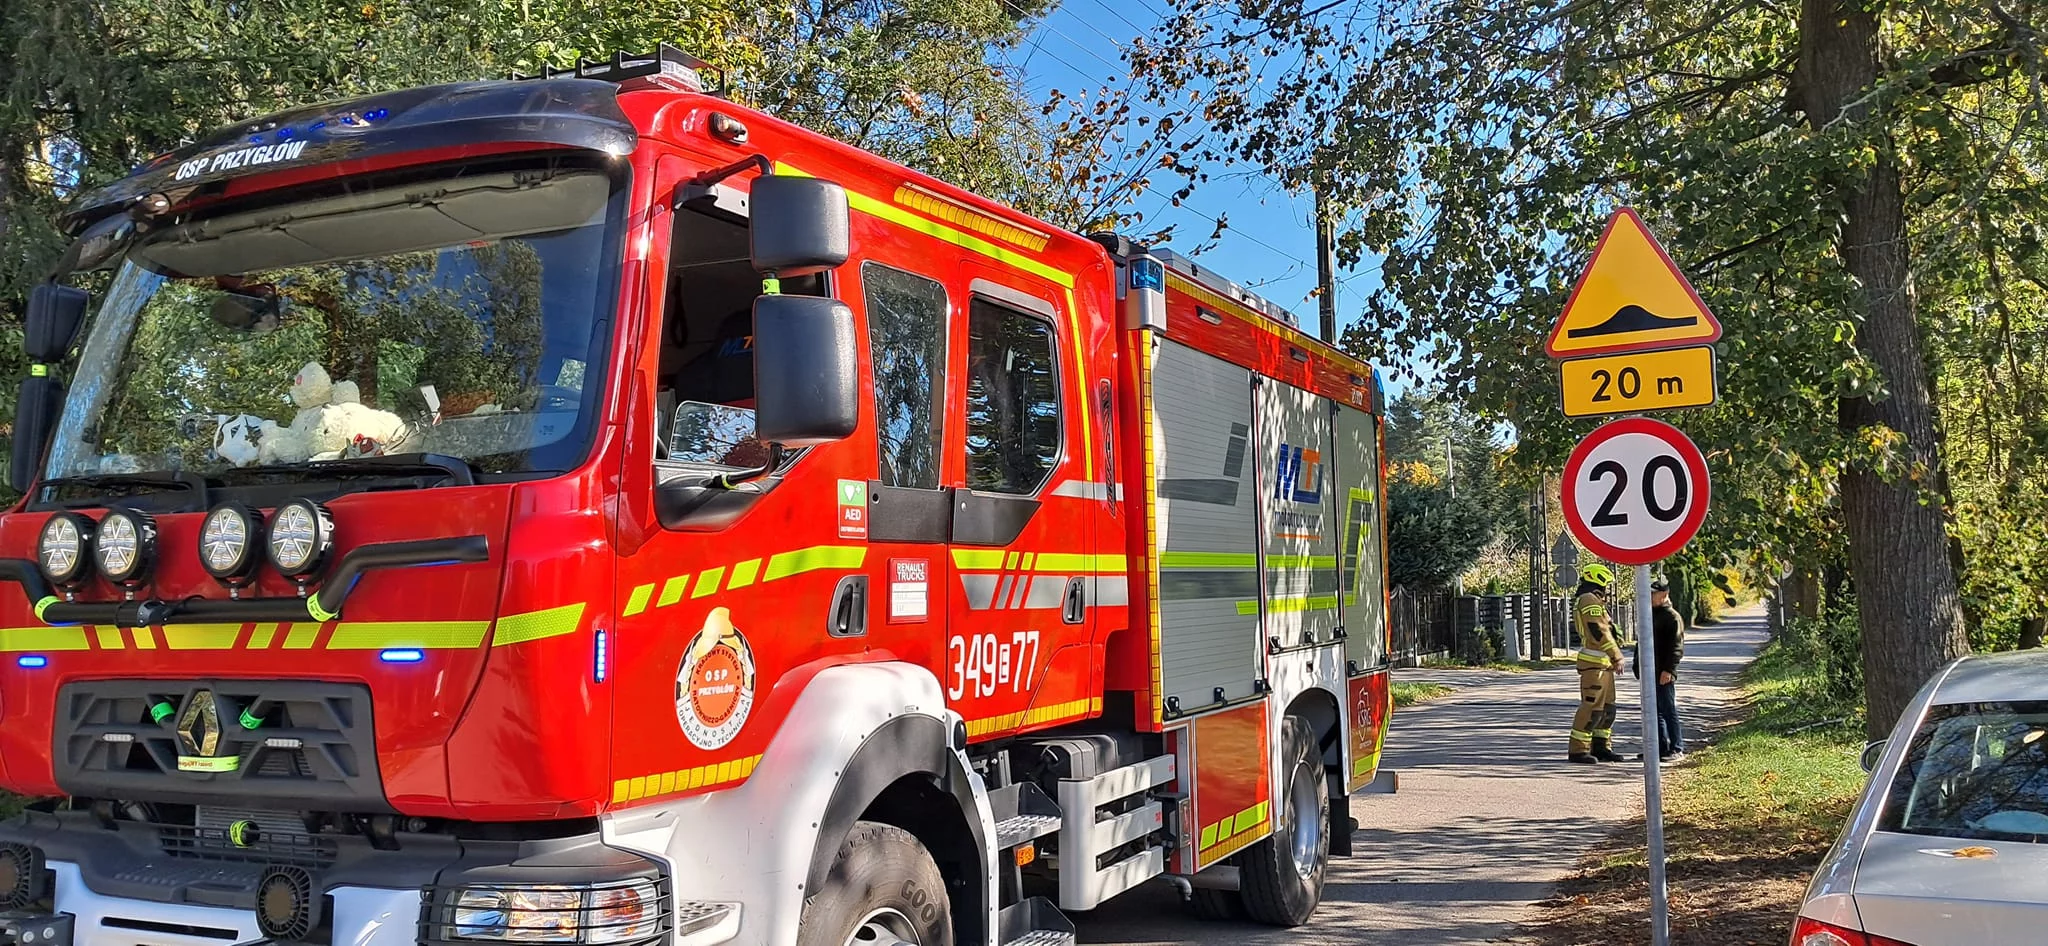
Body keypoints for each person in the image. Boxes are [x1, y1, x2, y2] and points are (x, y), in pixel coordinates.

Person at [1568, 563, 1626, 764]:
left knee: (1607, 710)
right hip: (1594, 662)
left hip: (1604, 664)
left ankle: (1601, 747)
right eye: (1606, 585)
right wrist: (1616, 654)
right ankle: (1578, 750)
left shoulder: (1595, 600)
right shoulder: (1588, 599)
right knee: (1592, 708)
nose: (1607, 590)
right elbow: (1598, 630)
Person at [1650, 577, 1687, 762]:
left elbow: (1677, 647)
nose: (1650, 597)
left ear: (1664, 595)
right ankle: (1660, 748)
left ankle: (1676, 747)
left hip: (1663, 672)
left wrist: (1669, 670)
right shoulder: (1650, 614)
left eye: (1654, 594)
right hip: (1650, 671)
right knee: (1653, 711)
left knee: (1668, 709)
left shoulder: (1672, 617)